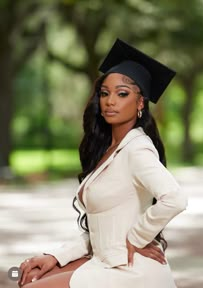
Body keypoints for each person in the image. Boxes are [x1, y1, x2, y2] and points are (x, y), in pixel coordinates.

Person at [19, 38, 187, 288]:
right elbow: (101, 231)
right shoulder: (110, 150)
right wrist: (56, 256)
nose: (110, 101)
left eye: (122, 94)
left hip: (129, 270)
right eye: (105, 93)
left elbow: (175, 198)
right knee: (30, 275)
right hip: (106, 261)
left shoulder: (137, 148)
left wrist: (138, 237)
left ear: (140, 103)